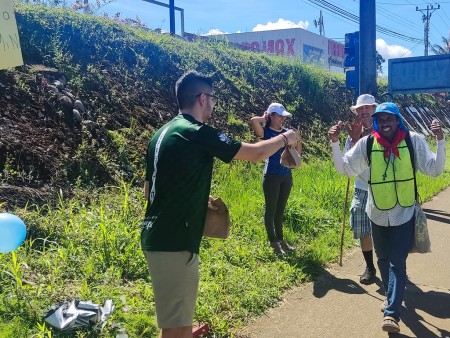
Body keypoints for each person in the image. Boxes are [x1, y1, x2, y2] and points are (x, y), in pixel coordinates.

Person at [142, 70, 300, 338]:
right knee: (177, 328)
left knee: (177, 322)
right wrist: (287, 137)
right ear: (202, 98)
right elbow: (256, 153)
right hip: (175, 240)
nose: (214, 104)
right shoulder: (195, 131)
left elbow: (150, 189)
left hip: (159, 236)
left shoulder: (162, 133)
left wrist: (195, 196)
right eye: (213, 98)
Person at [328, 102, 446, 334]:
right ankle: (391, 296)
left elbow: (435, 169)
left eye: (389, 118)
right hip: (377, 213)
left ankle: (391, 313)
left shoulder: (412, 141)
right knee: (382, 259)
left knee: (397, 262)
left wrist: (441, 141)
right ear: (376, 121)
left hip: (404, 213)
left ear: (397, 119)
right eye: (381, 119)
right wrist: (334, 143)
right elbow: (344, 168)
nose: (385, 122)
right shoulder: (368, 143)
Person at [250, 103, 302, 255]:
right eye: (279, 116)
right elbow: (254, 121)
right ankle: (273, 242)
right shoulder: (265, 132)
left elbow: (297, 153)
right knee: (271, 211)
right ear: (271, 116)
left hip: (286, 176)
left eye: (283, 116)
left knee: (280, 211)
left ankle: (281, 239)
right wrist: (263, 117)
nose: (282, 119)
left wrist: (298, 140)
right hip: (271, 176)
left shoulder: (287, 132)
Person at [343, 94, 378, 284]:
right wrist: (355, 139)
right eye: (360, 109)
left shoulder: (385, 129)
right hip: (362, 186)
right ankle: (369, 267)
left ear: (374, 109)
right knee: (363, 226)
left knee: (385, 229)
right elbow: (348, 162)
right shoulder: (352, 134)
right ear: (356, 112)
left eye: (367, 108)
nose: (364, 111)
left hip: (383, 187)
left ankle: (391, 266)